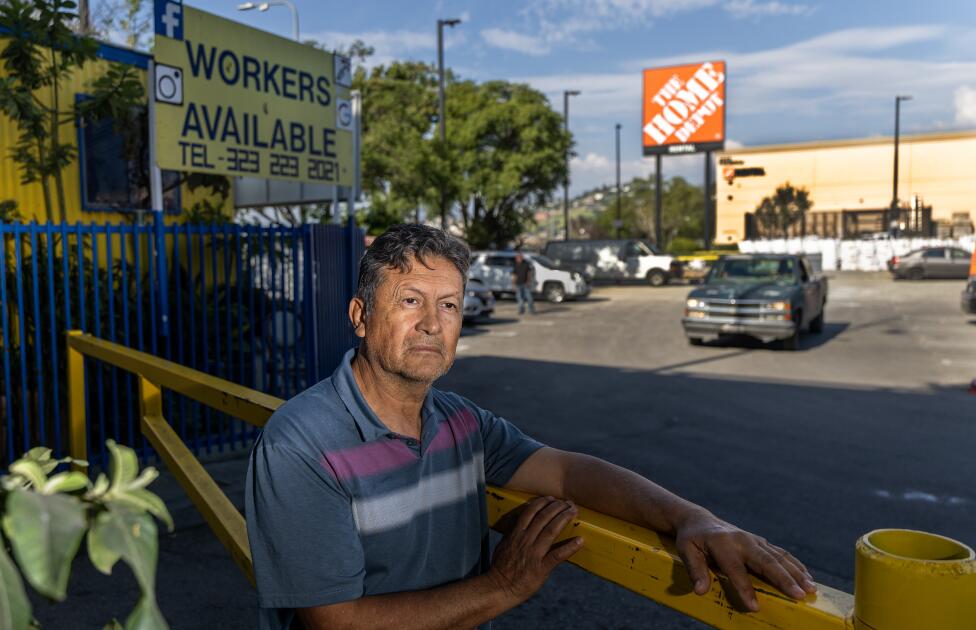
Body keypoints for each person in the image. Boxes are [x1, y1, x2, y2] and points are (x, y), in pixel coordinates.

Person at [245, 224, 815, 630]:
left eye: (449, 305)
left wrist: (693, 518)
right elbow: (335, 620)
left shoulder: (461, 422)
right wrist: (503, 586)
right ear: (361, 316)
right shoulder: (302, 444)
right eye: (410, 300)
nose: (432, 324)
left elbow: (567, 472)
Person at [512, 251, 535, 315]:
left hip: (525, 283)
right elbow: (514, 275)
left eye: (519, 257)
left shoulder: (526, 264)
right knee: (519, 298)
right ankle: (521, 310)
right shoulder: (515, 265)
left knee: (529, 297)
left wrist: (528, 281)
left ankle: (531, 310)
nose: (518, 259)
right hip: (518, 284)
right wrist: (513, 283)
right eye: (517, 258)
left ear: (522, 258)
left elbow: (529, 273)